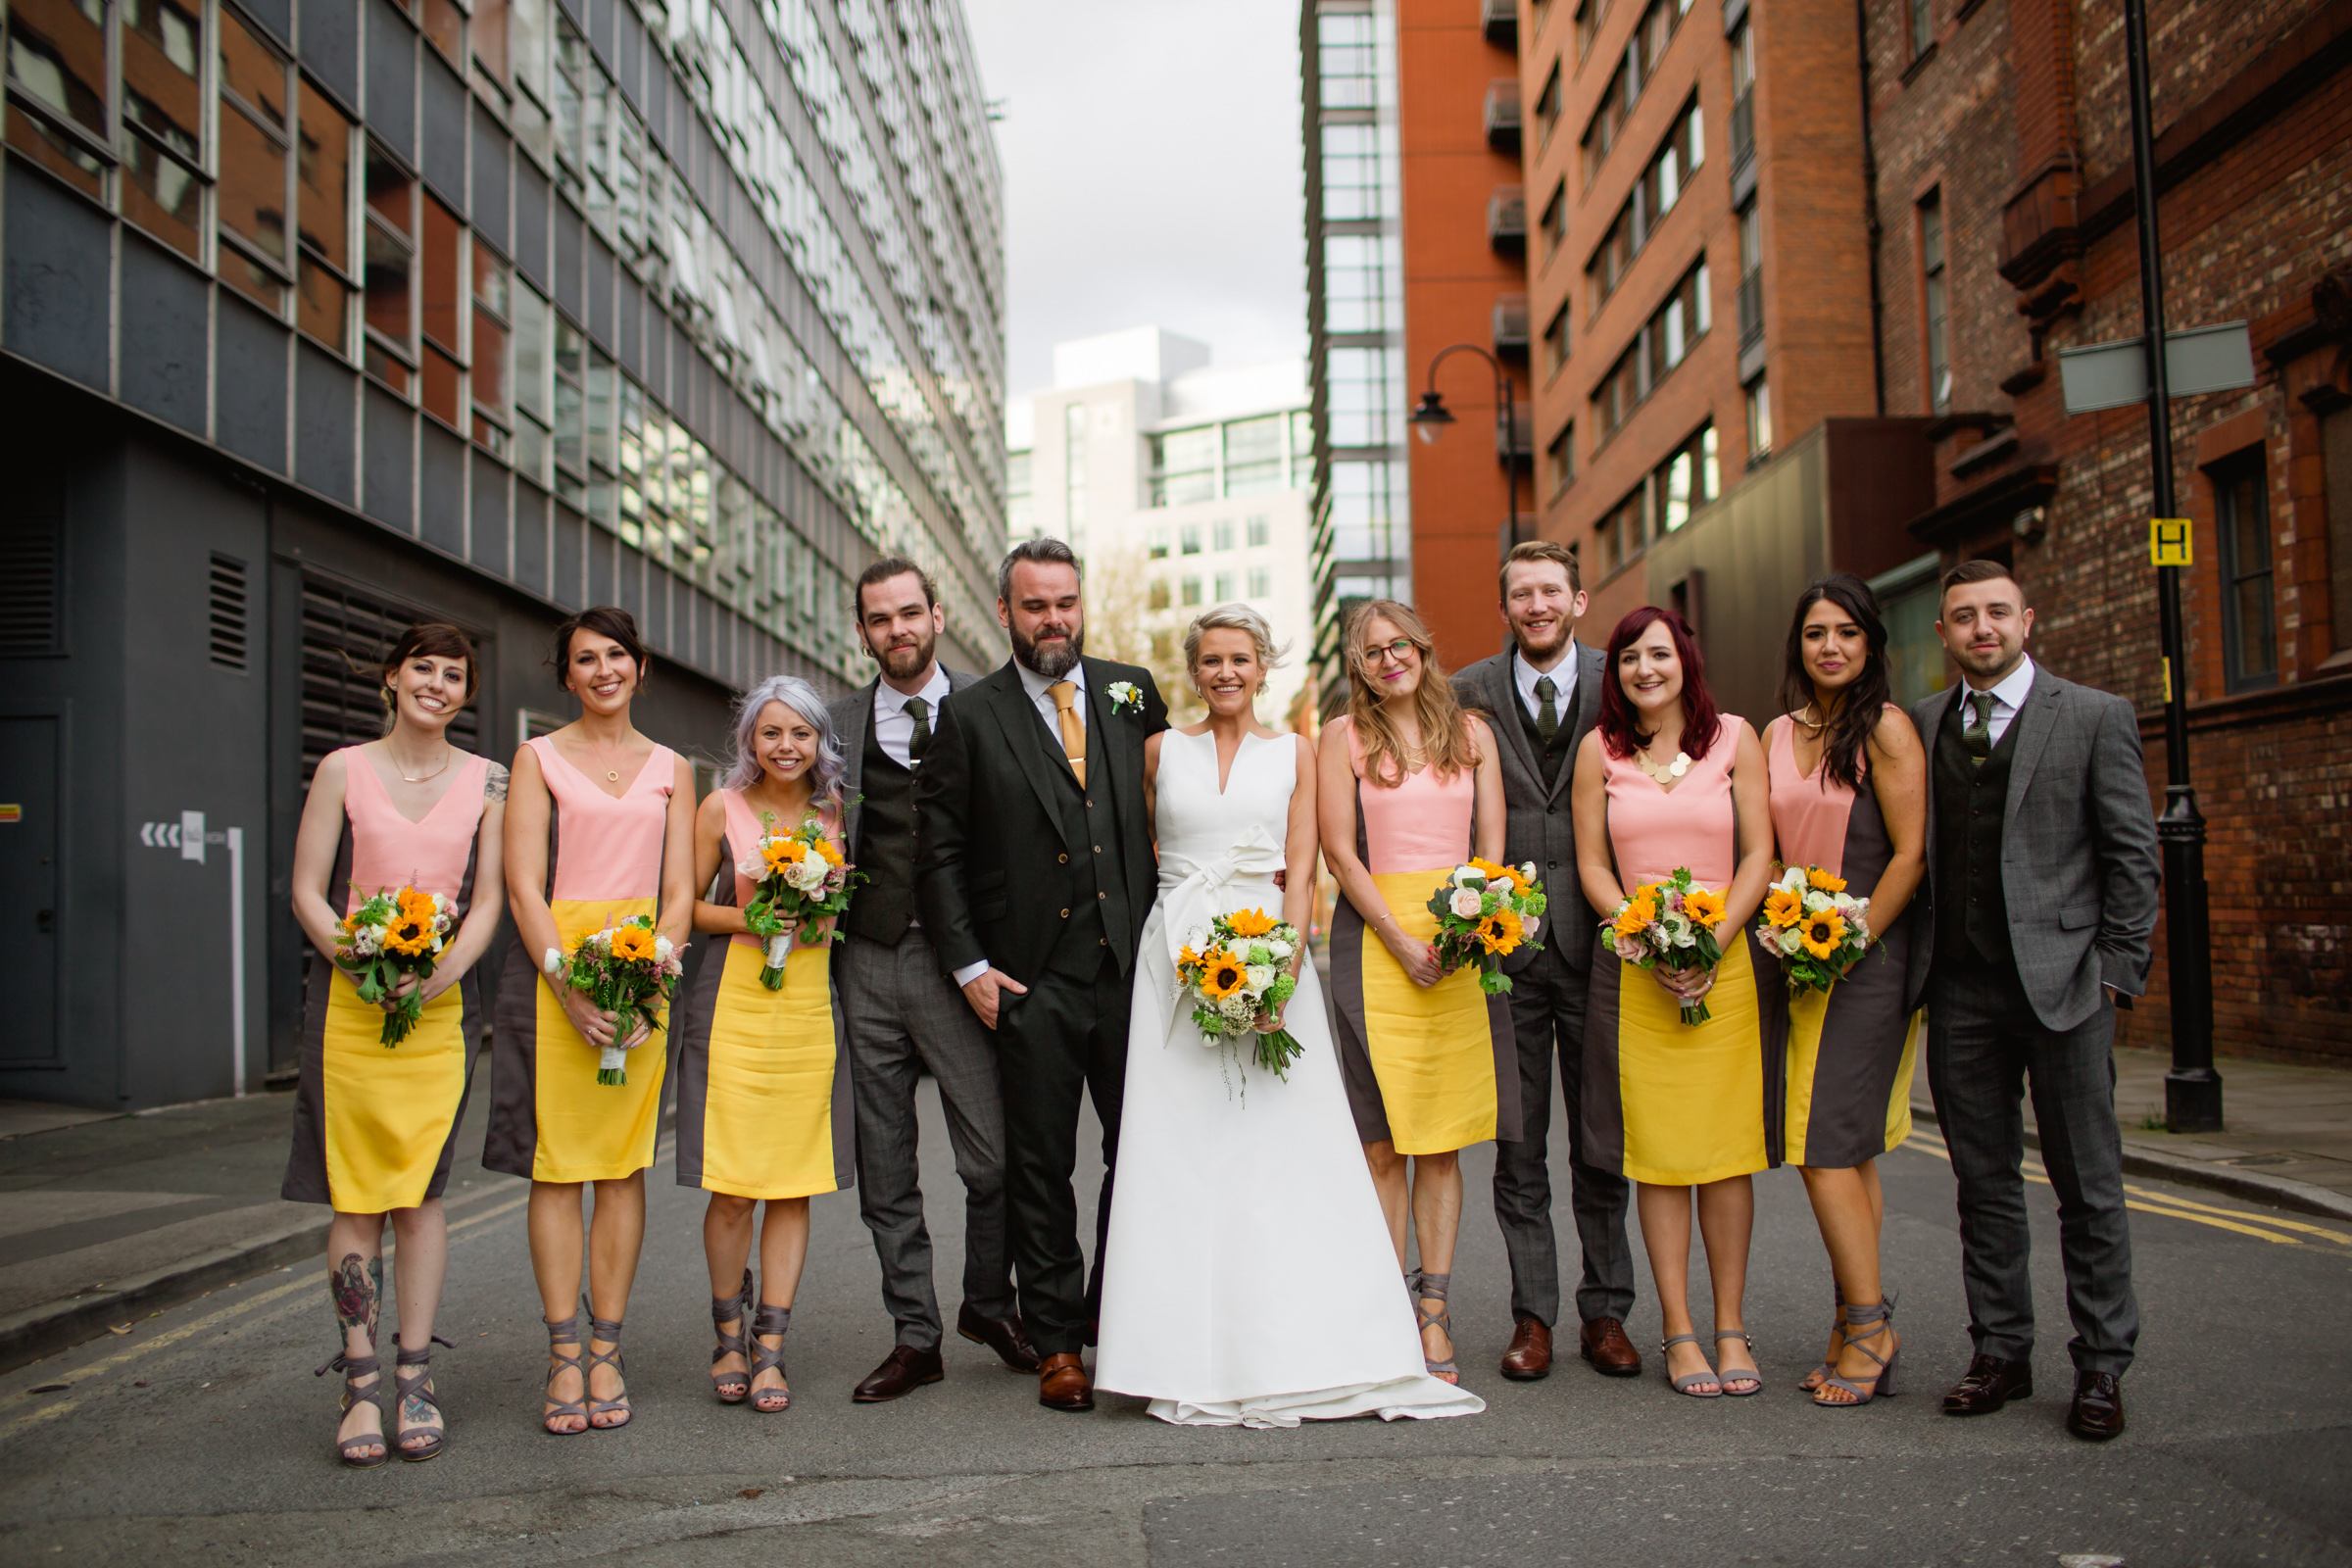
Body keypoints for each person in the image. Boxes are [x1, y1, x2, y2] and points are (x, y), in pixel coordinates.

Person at [1095, 606, 1483, 1428]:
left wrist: (1281, 965)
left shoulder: (1301, 752)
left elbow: (1303, 863)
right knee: (1179, 1152)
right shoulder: (1158, 751)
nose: (1225, 672)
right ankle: (1171, 1350)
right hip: (1175, 959)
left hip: (1269, 956)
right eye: (1210, 661)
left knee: (1278, 1147)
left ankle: (1296, 1336)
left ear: (1263, 667)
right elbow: (1139, 857)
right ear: (1193, 672)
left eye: (1240, 658)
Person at [914, 538, 1169, 1413]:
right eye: (1034, 605)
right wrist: (970, 965)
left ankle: (1120, 1318)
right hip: (1029, 980)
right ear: (1004, 614)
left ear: (1080, 603)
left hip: (1133, 972)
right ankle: (1058, 1343)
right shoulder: (971, 715)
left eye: (1064, 602)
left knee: (1139, 1156)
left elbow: (1173, 809)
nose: (1053, 618)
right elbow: (937, 852)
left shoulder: (1133, 689)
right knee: (1040, 1167)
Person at [1909, 560, 2159, 1442]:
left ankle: (2100, 1365)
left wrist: (2118, 973)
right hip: (1962, 991)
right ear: (1943, 633)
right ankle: (2002, 1353)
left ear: (2027, 621)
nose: (1983, 628)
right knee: (1983, 1186)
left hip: (2066, 989)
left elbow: (2133, 853)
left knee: (2087, 1186)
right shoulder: (1924, 723)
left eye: (1998, 613)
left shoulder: (2093, 716)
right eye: (1965, 617)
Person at [284, 623, 507, 1465]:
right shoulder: (343, 767)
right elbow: (309, 888)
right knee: (356, 1199)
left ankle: (415, 1378)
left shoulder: (489, 780)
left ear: (465, 694)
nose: (439, 684)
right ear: (391, 677)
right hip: (350, 1010)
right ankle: (360, 1383)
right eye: (425, 668)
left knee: (418, 1196)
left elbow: (485, 902)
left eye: (455, 675)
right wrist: (361, 958)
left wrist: (440, 974)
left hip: (438, 1014)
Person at [486, 607, 697, 1435]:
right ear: (566, 675)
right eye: (585, 658)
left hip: (644, 974)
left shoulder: (675, 768)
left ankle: (607, 1349)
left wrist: (651, 976)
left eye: (617, 654)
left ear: (640, 667)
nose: (603, 669)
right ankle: (564, 1353)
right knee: (556, 1168)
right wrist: (566, 982)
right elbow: (523, 887)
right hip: (557, 974)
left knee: (619, 1168)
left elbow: (678, 893)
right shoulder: (535, 758)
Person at [830, 559, 1036, 1403]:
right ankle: (915, 1334)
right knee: (887, 1168)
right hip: (868, 961)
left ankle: (987, 1301)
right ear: (863, 632)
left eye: (909, 613)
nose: (897, 630)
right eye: (880, 620)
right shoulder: (833, 723)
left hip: (965, 967)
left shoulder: (992, 708)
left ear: (939, 616)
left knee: (993, 1163)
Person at [1571, 607, 1776, 1398]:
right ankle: (1680, 1330)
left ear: (1685, 659)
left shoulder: (1735, 737)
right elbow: (1593, 863)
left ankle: (1730, 1325)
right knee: (1658, 1159)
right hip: (1638, 974)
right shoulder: (1601, 752)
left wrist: (1714, 944)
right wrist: (1644, 936)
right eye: (1628, 658)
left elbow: (1758, 850)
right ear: (1615, 673)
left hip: (1724, 972)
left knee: (1724, 1157)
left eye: (1658, 654)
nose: (1644, 668)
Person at [1450, 541, 1640, 1383]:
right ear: (1506, 608)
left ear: (1579, 600)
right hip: (1510, 950)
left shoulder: (1628, 676)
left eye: (1550, 592)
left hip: (1607, 942)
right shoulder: (1465, 693)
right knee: (1518, 1147)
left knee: (1602, 1140)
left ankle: (1607, 1314)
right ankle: (1534, 1317)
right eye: (1521, 594)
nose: (1536, 606)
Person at [1319, 599, 1518, 1387]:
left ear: (1426, 651)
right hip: (1376, 945)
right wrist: (1400, 940)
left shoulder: (1474, 735)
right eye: (1372, 652)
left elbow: (1491, 846)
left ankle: (1432, 1309)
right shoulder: (1344, 737)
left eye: (1400, 644)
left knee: (1440, 1142)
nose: (1389, 659)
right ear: (1359, 667)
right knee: (1380, 1142)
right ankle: (1379, 1310)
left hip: (1463, 941)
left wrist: (1472, 925)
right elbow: (1339, 848)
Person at [1763, 576, 1928, 1408]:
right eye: (1816, 632)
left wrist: (1852, 940)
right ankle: (1849, 1320)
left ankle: (1870, 1327)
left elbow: (1909, 854)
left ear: (1871, 645)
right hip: (1792, 957)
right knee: (1847, 1149)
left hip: (1865, 960)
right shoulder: (1775, 733)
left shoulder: (1887, 730)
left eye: (1848, 634)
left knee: (1824, 1145)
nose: (1831, 646)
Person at [675, 676, 855, 1414]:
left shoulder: (836, 813)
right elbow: (684, 909)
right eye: (771, 733)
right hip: (733, 1008)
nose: (786, 747)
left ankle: (772, 1346)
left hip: (809, 1012)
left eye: (800, 733)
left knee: (792, 1181)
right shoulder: (721, 807)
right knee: (732, 1186)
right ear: (750, 741)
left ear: (820, 742)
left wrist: (818, 920)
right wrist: (756, 921)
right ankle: (727, 1333)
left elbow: (845, 912)